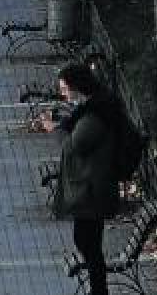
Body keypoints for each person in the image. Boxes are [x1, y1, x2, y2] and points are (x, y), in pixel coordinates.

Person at [39, 63, 122, 295]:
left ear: (78, 86)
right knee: (86, 241)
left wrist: (54, 130)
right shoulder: (92, 107)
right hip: (91, 187)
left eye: (65, 88)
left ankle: (99, 290)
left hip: (92, 189)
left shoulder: (95, 115)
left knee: (88, 243)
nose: (63, 93)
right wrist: (60, 124)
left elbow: (76, 145)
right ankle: (99, 289)